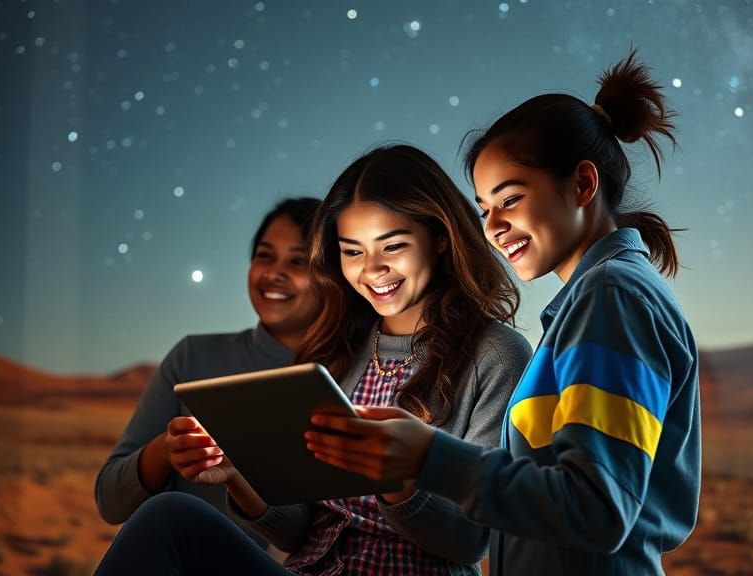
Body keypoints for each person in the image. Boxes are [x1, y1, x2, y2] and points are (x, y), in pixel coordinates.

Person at [306, 50, 701, 575]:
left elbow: (599, 508)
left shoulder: (613, 298)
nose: (493, 227)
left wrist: (427, 457)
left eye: (510, 200)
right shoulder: (600, 298)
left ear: (583, 185)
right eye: (484, 208)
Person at [95, 144, 532, 575]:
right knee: (171, 516)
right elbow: (302, 533)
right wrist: (238, 477)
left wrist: (397, 481)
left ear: (439, 238)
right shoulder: (337, 352)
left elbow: (470, 542)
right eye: (353, 251)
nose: (372, 269)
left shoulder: (495, 354)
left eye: (393, 246)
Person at [95, 197, 323, 525]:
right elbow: (110, 502)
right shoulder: (192, 357)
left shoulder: (354, 375)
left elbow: (315, 533)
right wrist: (167, 449)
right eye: (264, 256)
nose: (274, 273)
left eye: (298, 262)